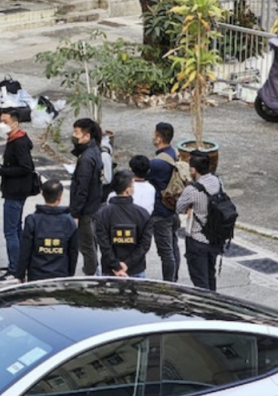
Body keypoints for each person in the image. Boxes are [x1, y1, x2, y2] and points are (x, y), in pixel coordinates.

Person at [0, 108, 35, 284]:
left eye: (5, 122)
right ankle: (18, 264)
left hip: (15, 191)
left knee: (10, 231)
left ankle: (15, 270)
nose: (2, 125)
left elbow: (26, 167)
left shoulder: (19, 143)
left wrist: (2, 171)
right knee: (15, 228)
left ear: (15, 124)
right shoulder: (15, 139)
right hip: (15, 189)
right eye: (1, 121)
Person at [177, 150, 224, 291]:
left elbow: (179, 208)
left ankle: (205, 303)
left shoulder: (192, 190)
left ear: (193, 170)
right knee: (210, 275)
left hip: (197, 240)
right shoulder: (218, 182)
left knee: (200, 281)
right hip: (215, 237)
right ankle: (213, 301)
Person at [16, 179, 79, 282]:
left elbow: (25, 250)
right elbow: (73, 252)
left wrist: (20, 274)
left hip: (37, 275)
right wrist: (70, 274)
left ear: (42, 193)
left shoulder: (33, 220)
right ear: (60, 196)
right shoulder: (69, 222)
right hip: (60, 274)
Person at [95, 170, 153, 278]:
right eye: (133, 185)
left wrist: (116, 265)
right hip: (136, 269)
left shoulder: (102, 214)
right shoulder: (142, 214)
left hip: (110, 270)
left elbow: (104, 244)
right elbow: (144, 244)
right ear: (127, 190)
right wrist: (128, 264)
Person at [68, 118, 104, 276]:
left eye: (77, 133)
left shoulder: (87, 158)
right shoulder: (94, 151)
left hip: (86, 209)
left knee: (87, 245)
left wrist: (75, 213)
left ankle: (91, 274)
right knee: (91, 243)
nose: (73, 136)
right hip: (93, 205)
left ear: (87, 136)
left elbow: (82, 188)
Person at [148, 122, 182, 282]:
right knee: (173, 246)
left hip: (160, 212)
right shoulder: (174, 153)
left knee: (166, 252)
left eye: (154, 134)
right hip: (172, 208)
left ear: (159, 138)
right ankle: (174, 278)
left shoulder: (157, 163)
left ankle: (169, 283)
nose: (152, 136)